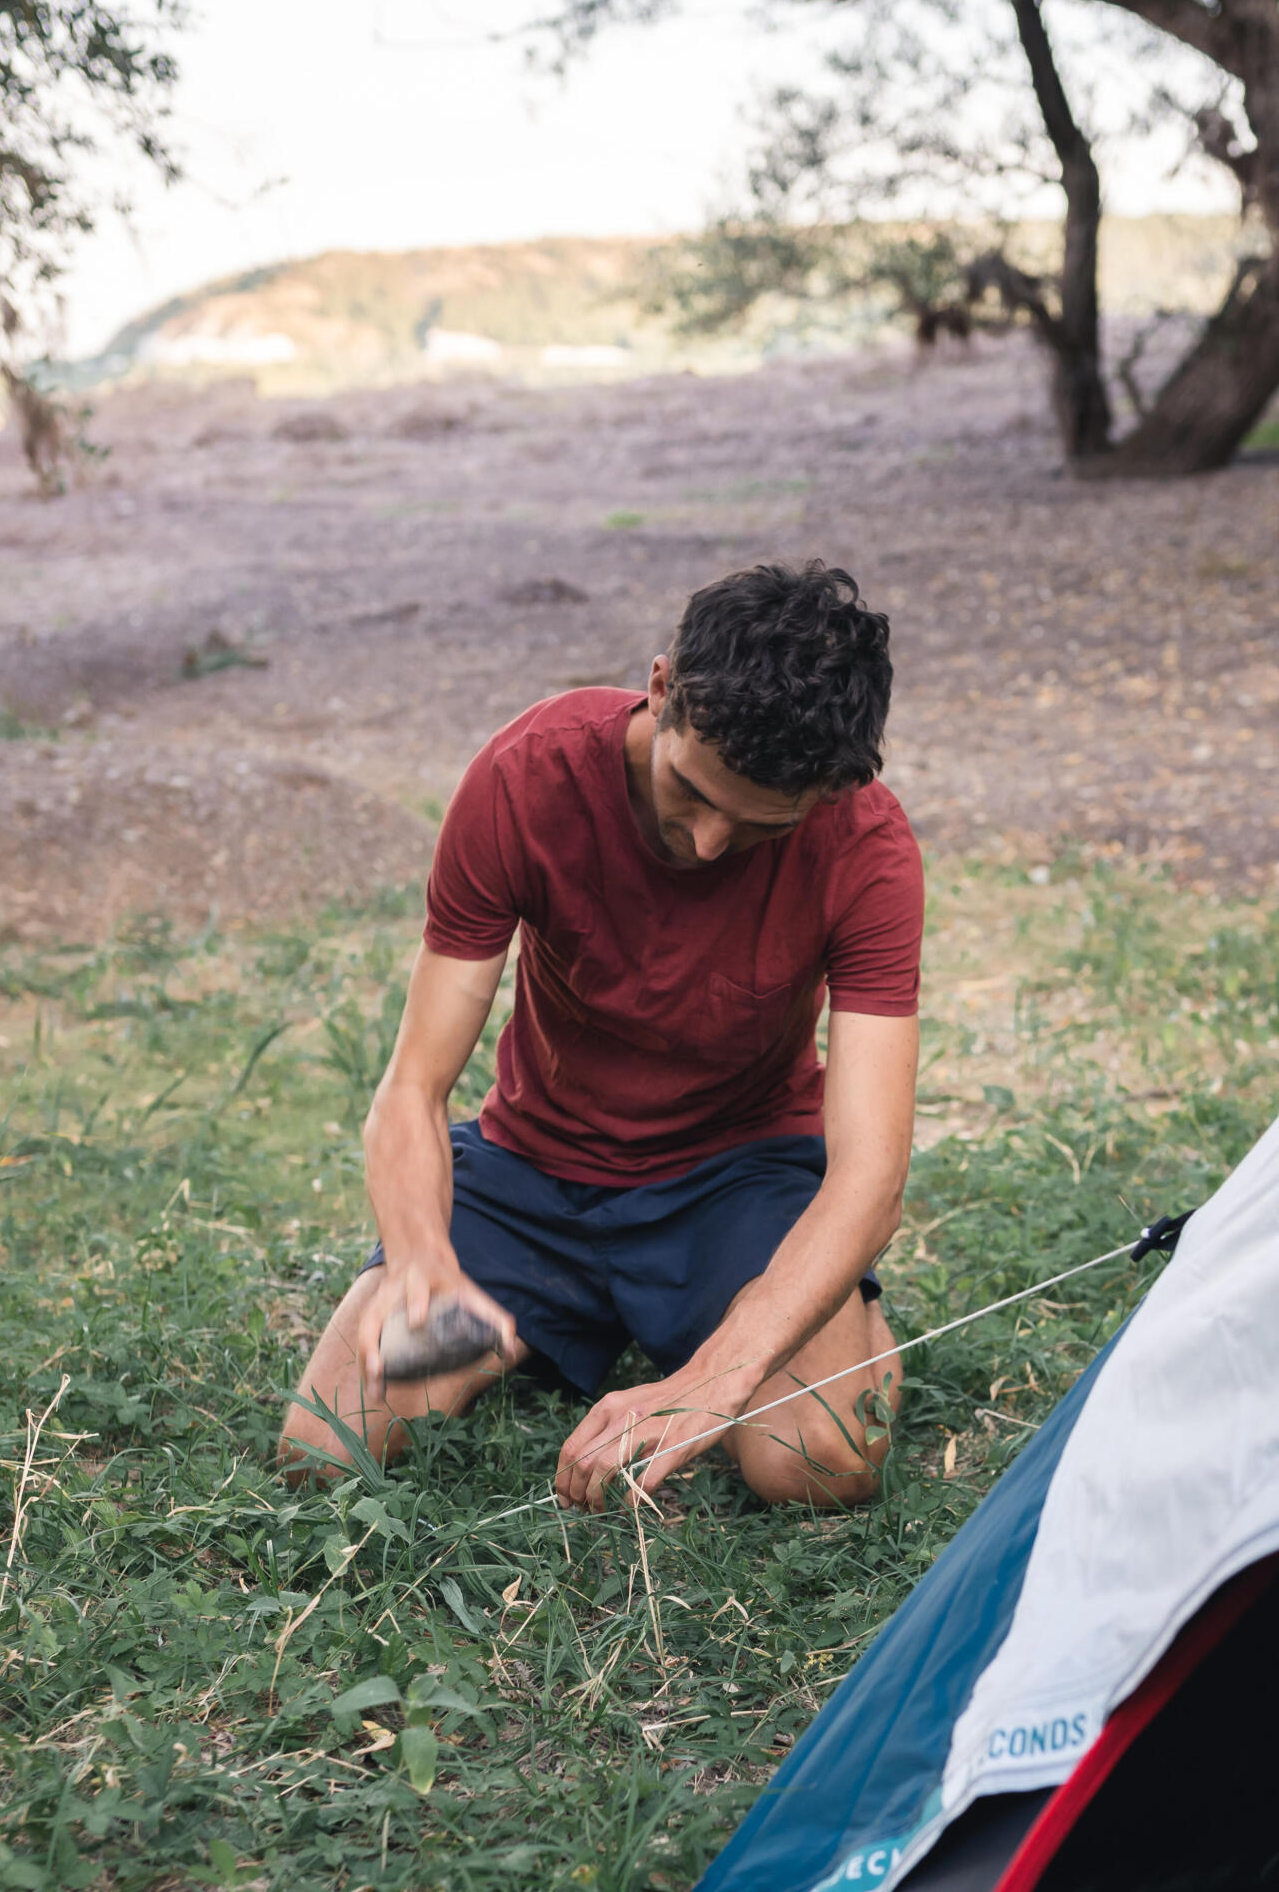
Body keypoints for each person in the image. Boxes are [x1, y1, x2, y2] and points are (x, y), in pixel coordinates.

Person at [281, 560, 921, 1511]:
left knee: (818, 1463)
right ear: (662, 689)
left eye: (756, 827)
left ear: (826, 792)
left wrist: (718, 1378)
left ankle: (804, 1328)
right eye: (693, 794)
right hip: (533, 1169)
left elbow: (869, 1176)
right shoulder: (524, 777)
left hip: (737, 1178)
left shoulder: (866, 851)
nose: (707, 844)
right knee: (327, 1453)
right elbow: (412, 1089)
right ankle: (579, 1315)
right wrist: (422, 1262)